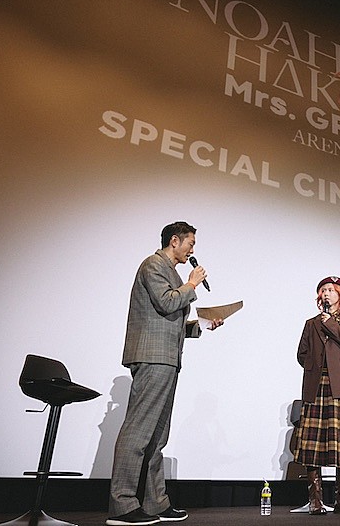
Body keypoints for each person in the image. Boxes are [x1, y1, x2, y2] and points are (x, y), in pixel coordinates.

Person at [107, 222, 223, 526]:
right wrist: (192, 284)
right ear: (175, 241)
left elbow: (170, 320)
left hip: (167, 358)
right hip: (152, 357)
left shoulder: (170, 272)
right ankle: (122, 505)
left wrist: (204, 325)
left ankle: (155, 502)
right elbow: (167, 302)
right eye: (190, 243)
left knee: (157, 436)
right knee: (139, 431)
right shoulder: (154, 265)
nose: (192, 250)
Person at [293, 276, 340, 515]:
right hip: (316, 385)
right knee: (312, 444)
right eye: (323, 290)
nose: (326, 293)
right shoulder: (311, 323)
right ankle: (315, 500)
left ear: (339, 296)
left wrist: (331, 324)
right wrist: (313, 367)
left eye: (331, 290)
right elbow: (301, 353)